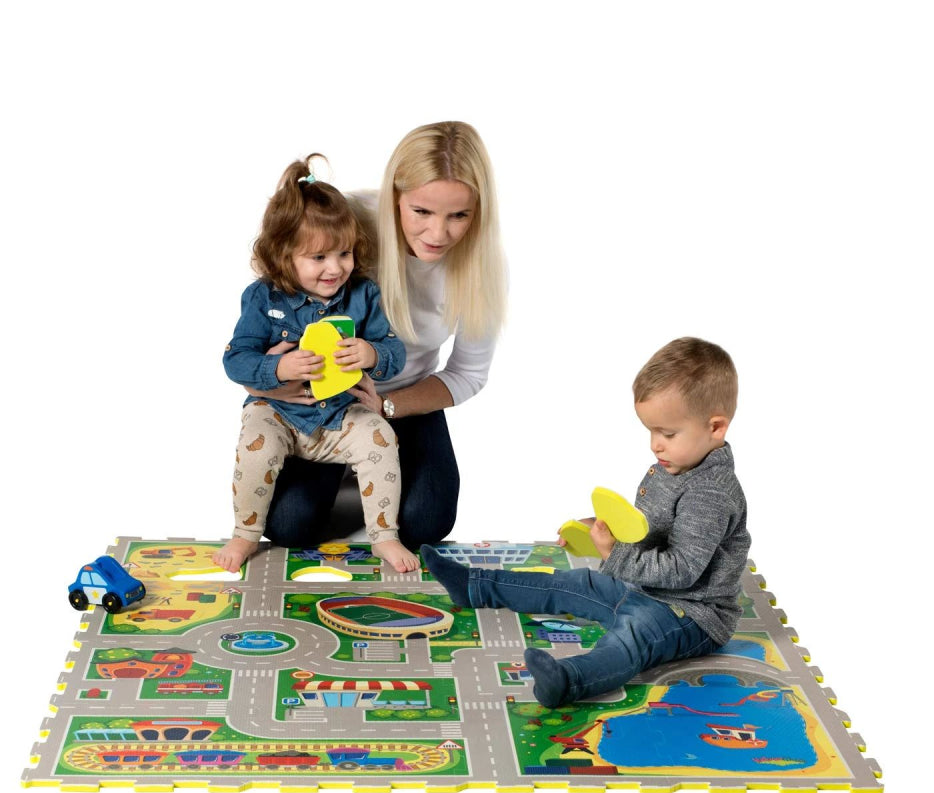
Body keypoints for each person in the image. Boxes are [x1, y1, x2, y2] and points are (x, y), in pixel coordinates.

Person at [421, 338, 751, 708]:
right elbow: (649, 528)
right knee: (571, 583)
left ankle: (568, 680)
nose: (655, 445)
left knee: (632, 635)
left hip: (690, 613)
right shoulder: (675, 463)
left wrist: (615, 553)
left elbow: (682, 570)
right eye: (651, 431)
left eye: (667, 434)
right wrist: (600, 527)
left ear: (716, 427)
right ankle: (475, 586)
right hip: (640, 586)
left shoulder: (710, 493)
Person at [250, 122, 506, 550]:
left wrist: (388, 406)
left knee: (426, 525)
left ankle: (372, 462)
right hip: (322, 397)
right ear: (394, 196)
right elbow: (269, 297)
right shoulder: (346, 221)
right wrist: (266, 379)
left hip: (406, 397)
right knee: (288, 526)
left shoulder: (484, 266)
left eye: (459, 215)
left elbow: (468, 373)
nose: (438, 234)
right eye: (421, 211)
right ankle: (349, 466)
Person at [214, 155, 420, 574]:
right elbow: (235, 360)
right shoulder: (263, 297)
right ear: (283, 255)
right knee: (256, 447)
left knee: (380, 437)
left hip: (341, 412)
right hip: (277, 411)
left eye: (344, 253)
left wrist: (372, 354)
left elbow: (394, 351)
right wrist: (278, 370)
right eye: (319, 257)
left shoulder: (363, 294)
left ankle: (384, 534)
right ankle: (245, 532)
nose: (335, 268)